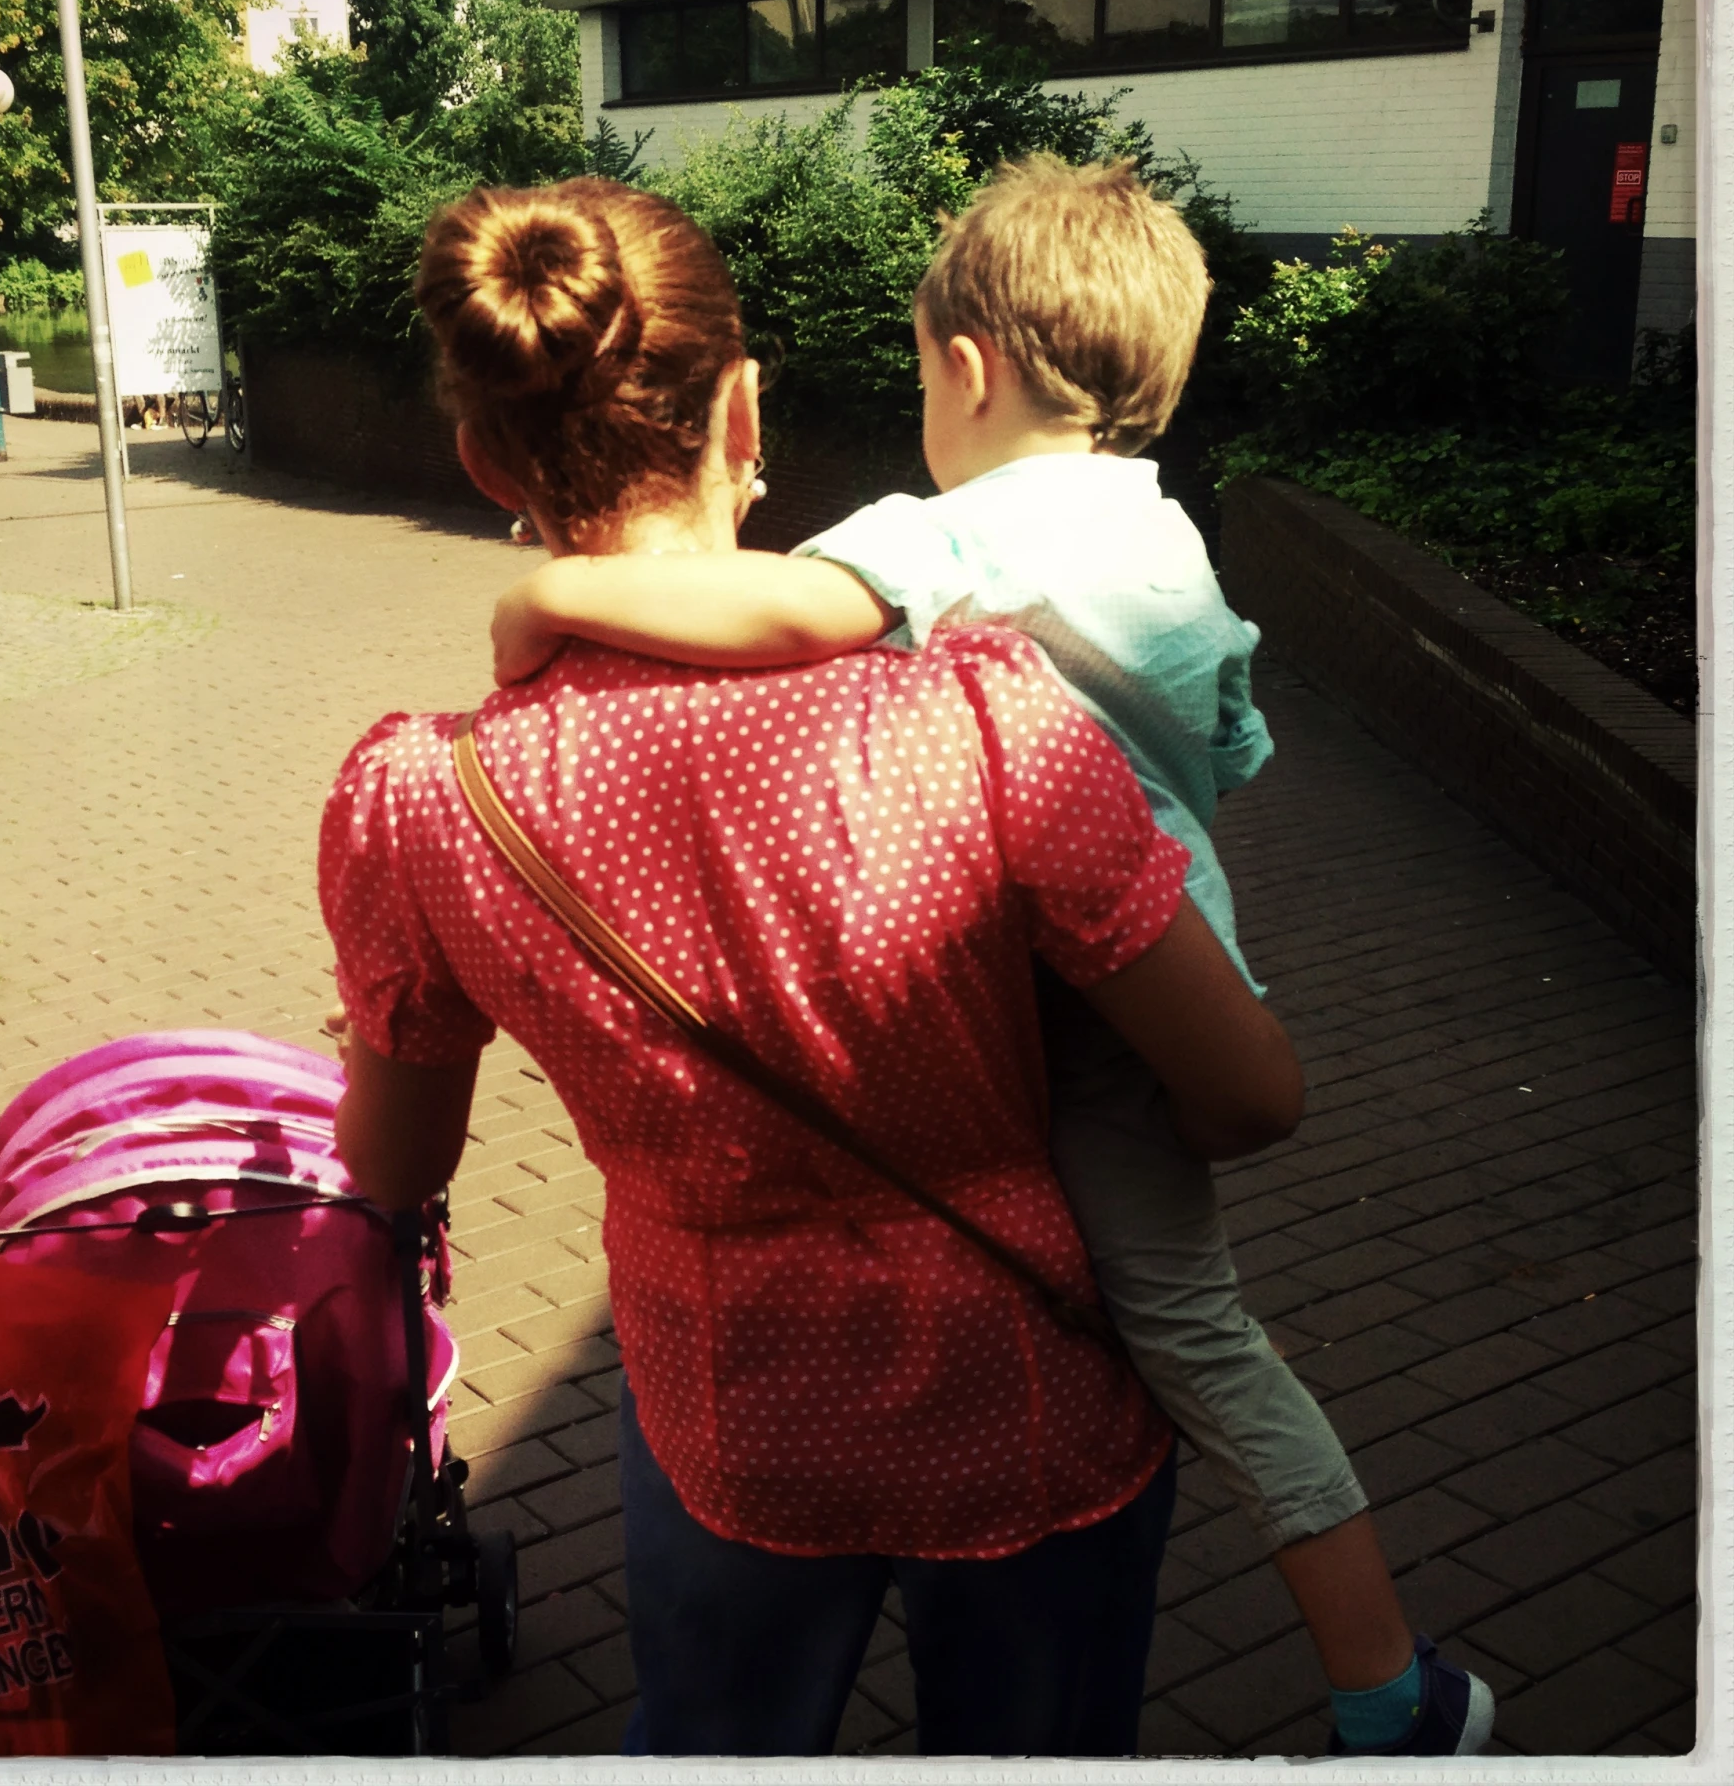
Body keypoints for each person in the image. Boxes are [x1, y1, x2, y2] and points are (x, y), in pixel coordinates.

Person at [485, 156, 1495, 1760]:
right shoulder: (1172, 535)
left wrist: (551, 596)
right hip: (1176, 958)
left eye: (918, 374)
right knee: (1195, 1323)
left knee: (1189, 1335)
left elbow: (790, 616)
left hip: (1083, 1016)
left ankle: (1391, 1690)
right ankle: (1382, 1672)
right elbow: (1234, 745)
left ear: (966, 368)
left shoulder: (953, 531)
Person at [318, 174, 1306, 1757]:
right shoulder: (985, 716)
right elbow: (1252, 1095)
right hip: (1030, 1384)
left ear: (485, 459)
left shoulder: (423, 801)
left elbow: (398, 1160)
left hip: (724, 1405)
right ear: (744, 412)